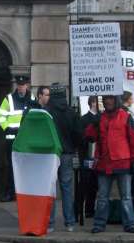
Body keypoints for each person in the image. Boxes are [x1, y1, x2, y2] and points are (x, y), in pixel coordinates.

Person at [85, 95, 134, 234]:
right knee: (103, 197)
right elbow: (90, 137)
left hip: (122, 161)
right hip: (105, 162)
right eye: (105, 99)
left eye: (110, 98)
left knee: (126, 197)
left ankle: (129, 224)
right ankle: (99, 224)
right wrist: (94, 123)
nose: (107, 101)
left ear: (116, 100)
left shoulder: (126, 117)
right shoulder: (100, 118)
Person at [46, 83, 81, 232]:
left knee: (51, 189)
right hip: (67, 153)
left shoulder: (46, 112)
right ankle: (70, 223)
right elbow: (78, 133)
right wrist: (74, 147)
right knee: (67, 189)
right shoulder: (71, 112)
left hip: (51, 154)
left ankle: (50, 223)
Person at [0, 75, 36, 202]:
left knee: (26, 168)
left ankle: (24, 194)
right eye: (19, 85)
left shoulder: (32, 98)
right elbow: (1, 116)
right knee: (11, 167)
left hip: (26, 139)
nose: (21, 87)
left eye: (23, 85)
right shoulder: (9, 99)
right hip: (12, 138)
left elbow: (35, 118)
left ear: (27, 85)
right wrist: (7, 128)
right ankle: (10, 193)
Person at [78, 96, 100, 218]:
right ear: (92, 103)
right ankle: (79, 208)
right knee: (84, 183)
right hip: (86, 155)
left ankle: (89, 209)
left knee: (94, 184)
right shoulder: (84, 119)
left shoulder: (101, 118)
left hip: (97, 156)